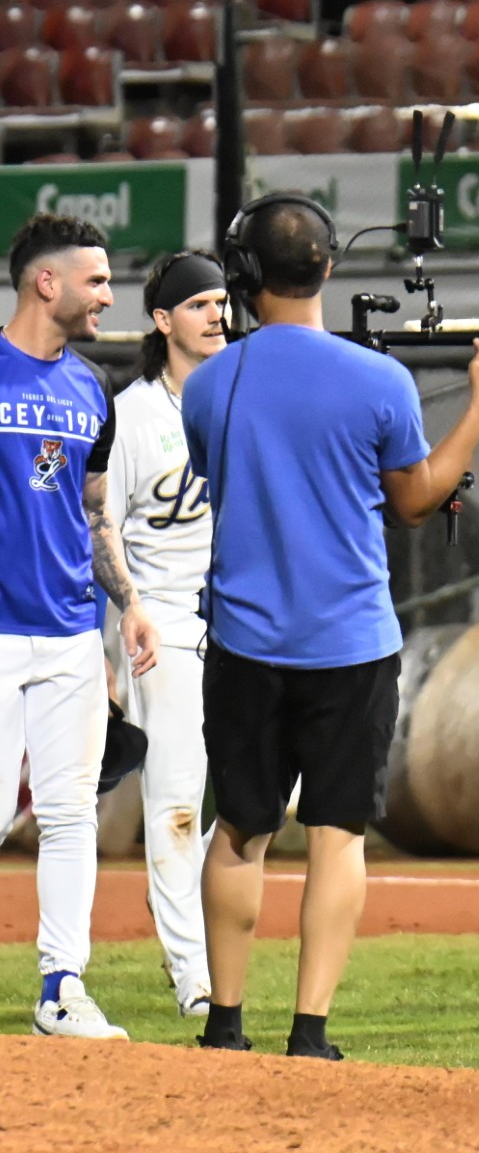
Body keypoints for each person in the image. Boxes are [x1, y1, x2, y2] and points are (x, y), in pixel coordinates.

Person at [183, 193, 479, 1059]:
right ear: (328, 268)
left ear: (244, 278)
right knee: (336, 834)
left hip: (244, 640)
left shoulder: (213, 379)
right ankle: (310, 1031)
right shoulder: (381, 381)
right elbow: (413, 503)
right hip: (350, 642)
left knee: (241, 830)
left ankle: (224, 1023)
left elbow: (220, 471)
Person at [0, 213, 159, 1041]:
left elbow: (93, 513)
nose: (108, 294)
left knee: (67, 815)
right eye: (95, 280)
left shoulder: (89, 389)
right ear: (45, 282)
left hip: (67, 633)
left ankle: (63, 986)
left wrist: (126, 603)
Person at [106, 249, 228, 1020]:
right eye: (198, 304)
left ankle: (181, 900)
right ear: (162, 320)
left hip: (248, 618)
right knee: (177, 798)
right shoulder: (133, 415)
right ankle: (192, 970)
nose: (218, 313)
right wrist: (129, 609)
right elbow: (102, 521)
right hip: (167, 620)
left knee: (269, 793)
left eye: (222, 301)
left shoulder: (242, 393)